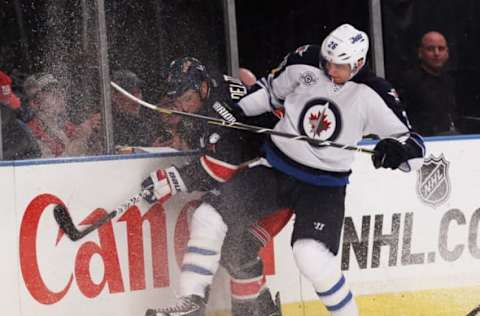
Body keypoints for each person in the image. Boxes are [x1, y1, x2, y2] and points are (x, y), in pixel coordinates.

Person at [144, 24, 426, 316]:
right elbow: (268, 93)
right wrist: (239, 111)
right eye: (327, 62)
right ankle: (190, 301)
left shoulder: (374, 92)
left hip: (324, 187)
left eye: (339, 66)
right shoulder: (304, 60)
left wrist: (396, 150)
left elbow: (413, 144)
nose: (330, 69)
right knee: (208, 216)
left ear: (358, 64)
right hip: (275, 169)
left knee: (311, 256)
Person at [139, 57, 287, 316]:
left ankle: (192, 302)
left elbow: (223, 167)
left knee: (209, 219)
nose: (183, 106)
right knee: (236, 251)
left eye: (187, 98)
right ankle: (262, 312)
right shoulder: (214, 94)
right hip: (273, 175)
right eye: (178, 102)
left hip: (280, 179)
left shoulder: (220, 107)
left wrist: (173, 179)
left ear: (202, 87)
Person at [23, 73, 101, 157]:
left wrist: (93, 135)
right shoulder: (31, 132)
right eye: (51, 92)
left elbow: (93, 154)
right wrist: (82, 137)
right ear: (35, 103)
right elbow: (58, 163)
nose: (59, 95)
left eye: (60, 90)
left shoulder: (65, 126)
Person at [398, 31, 458, 136]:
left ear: (447, 53)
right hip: (423, 141)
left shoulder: (451, 81)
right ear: (420, 53)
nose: (436, 53)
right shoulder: (409, 81)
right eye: (430, 49)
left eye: (441, 49)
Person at [111, 69, 173, 152]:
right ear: (114, 96)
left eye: (138, 92)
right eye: (132, 93)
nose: (137, 98)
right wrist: (152, 151)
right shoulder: (105, 124)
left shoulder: (147, 121)